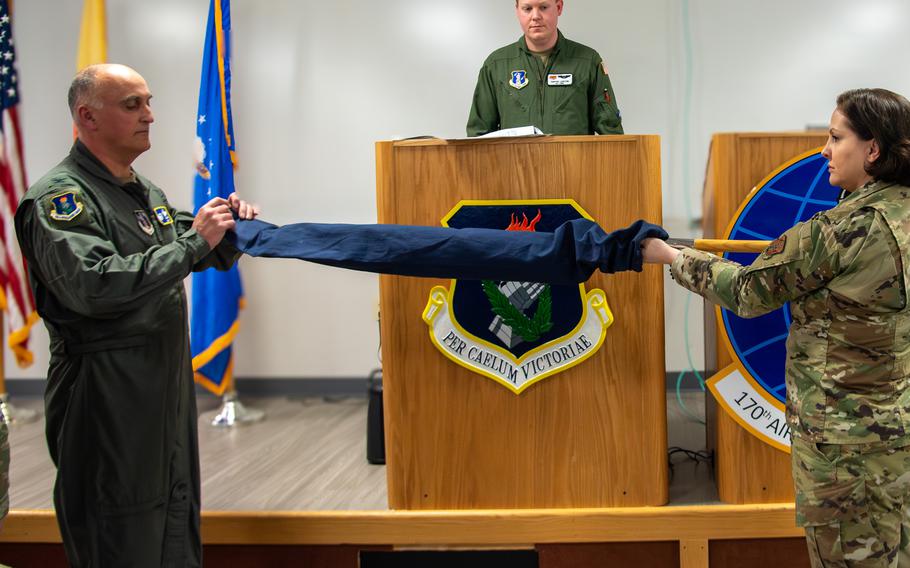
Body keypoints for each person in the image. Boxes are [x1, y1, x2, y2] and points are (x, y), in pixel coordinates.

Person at [643, 88, 910, 567]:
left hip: (845, 450)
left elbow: (747, 292)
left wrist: (672, 256)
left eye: (835, 137)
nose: (824, 150)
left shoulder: (841, 230)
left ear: (873, 149)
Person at [14, 63, 258, 567]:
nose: (149, 115)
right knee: (120, 527)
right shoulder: (60, 199)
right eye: (132, 105)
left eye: (147, 102)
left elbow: (183, 247)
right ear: (88, 116)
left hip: (159, 381)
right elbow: (94, 285)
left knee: (171, 513)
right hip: (104, 389)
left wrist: (227, 230)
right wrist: (195, 242)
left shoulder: (139, 189)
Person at [466, 0, 623, 137]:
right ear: (517, 10)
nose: (535, 16)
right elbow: (479, 135)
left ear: (559, 7)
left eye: (543, 7)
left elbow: (611, 132)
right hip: (516, 169)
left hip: (573, 169)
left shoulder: (587, 61)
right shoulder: (496, 64)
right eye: (527, 8)